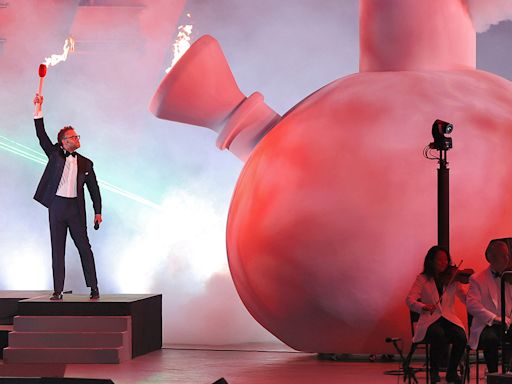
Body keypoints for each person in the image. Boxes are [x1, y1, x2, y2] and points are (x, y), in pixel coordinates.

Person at [33, 93, 102, 300]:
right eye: (73, 137)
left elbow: (94, 190)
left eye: (77, 136)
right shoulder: (54, 154)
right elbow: (41, 135)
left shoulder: (86, 163)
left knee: (84, 247)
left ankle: (94, 287)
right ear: (63, 142)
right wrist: (38, 108)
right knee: (58, 249)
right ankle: (58, 290)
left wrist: (98, 211)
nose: (77, 139)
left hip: (75, 209)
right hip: (56, 206)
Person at [406, 245, 467, 384]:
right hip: (430, 319)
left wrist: (474, 292)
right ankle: (434, 371)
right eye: (439, 260)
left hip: (449, 318)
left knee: (461, 337)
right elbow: (409, 300)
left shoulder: (452, 278)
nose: (444, 263)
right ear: (431, 261)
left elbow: (464, 298)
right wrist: (423, 306)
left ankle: (451, 372)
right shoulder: (422, 279)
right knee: (437, 334)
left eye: (446, 260)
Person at [467, 239, 512, 374]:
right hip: (487, 325)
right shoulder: (477, 278)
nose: (507, 258)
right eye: (502, 255)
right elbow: (472, 305)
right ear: (491, 258)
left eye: (507, 255)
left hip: (508, 322)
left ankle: (509, 371)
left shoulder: (509, 277)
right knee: (490, 339)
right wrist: (495, 318)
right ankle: (493, 374)